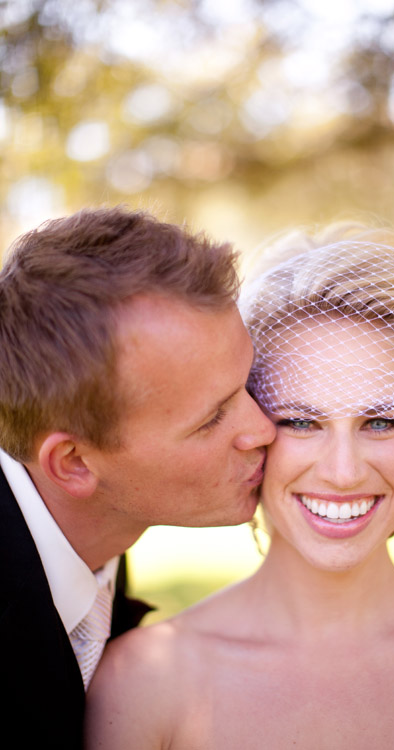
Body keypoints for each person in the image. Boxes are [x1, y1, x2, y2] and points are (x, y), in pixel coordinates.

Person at [85, 223, 394, 749]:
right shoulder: (144, 682)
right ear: (250, 429)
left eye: (381, 422)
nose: (343, 472)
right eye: (300, 422)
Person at [0, 205, 276, 749]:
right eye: (212, 418)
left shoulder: (95, 533)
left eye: (247, 385)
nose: (263, 428)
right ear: (74, 464)